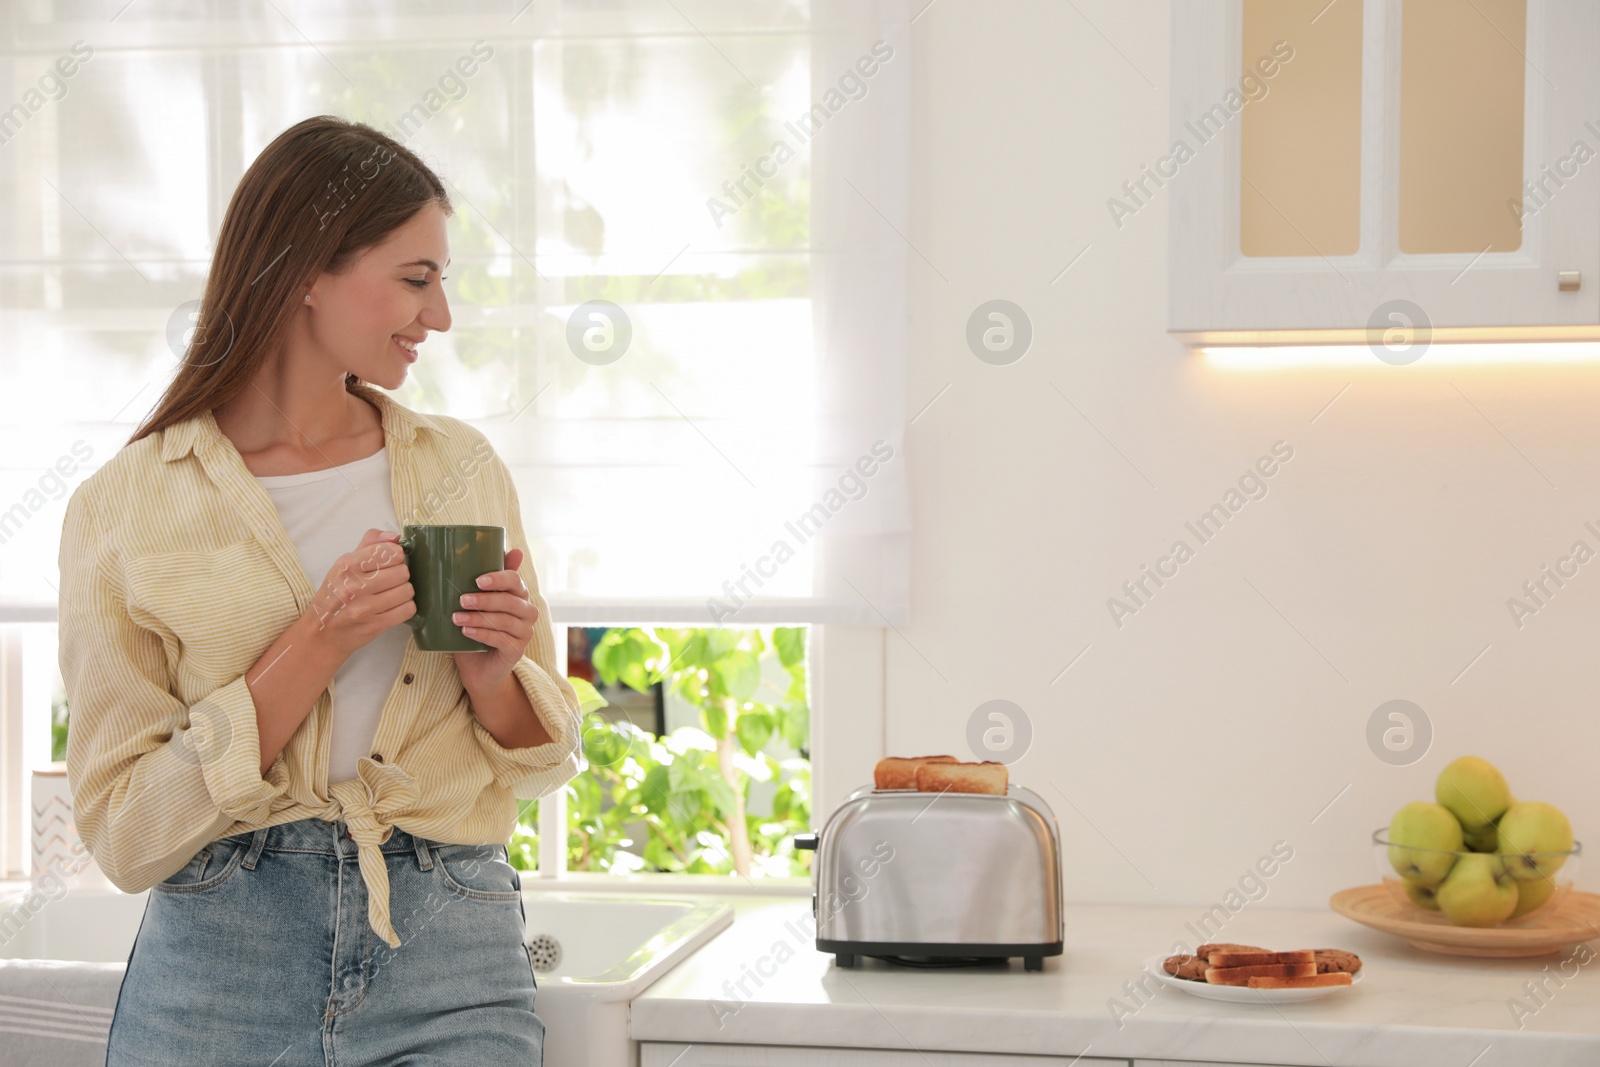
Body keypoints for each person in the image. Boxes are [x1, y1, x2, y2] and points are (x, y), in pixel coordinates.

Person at [56, 115, 581, 1066]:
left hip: (449, 953)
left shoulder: (458, 467)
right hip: (218, 971)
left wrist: (497, 674)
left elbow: (538, 761)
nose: (442, 317)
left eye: (442, 282)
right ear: (305, 270)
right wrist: (313, 645)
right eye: (415, 280)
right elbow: (125, 834)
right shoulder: (125, 506)